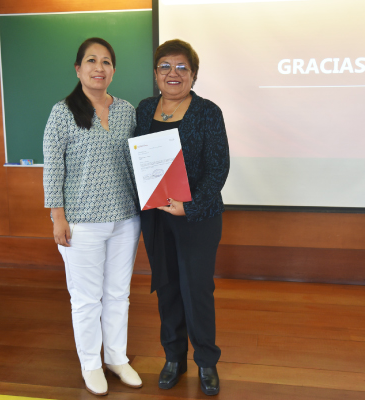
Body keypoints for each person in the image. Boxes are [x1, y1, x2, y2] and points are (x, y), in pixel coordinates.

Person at [43, 37, 142, 396]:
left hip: (126, 219)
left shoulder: (127, 110)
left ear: (113, 71)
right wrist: (58, 216)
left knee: (118, 294)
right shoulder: (62, 112)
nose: (99, 68)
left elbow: (139, 162)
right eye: (91, 61)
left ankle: (116, 356)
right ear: (78, 69)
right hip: (81, 223)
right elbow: (53, 168)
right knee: (86, 299)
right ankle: (91, 362)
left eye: (106, 62)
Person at [134, 39, 230, 396]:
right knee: (167, 287)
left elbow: (218, 168)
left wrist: (189, 205)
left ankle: (206, 360)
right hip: (156, 216)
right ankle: (173, 356)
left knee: (197, 289)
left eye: (181, 67)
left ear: (193, 74)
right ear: (156, 72)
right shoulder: (144, 109)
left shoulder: (208, 112)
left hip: (197, 217)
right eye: (165, 66)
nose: (172, 73)